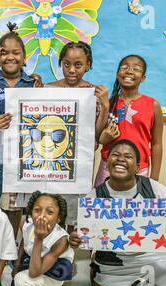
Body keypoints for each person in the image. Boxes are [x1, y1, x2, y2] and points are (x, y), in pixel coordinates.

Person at [69, 139, 166, 286]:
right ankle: (98, 267)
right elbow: (81, 229)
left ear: (137, 167)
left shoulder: (152, 187)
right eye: (115, 154)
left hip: (151, 253)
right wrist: (76, 238)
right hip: (114, 257)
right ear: (107, 164)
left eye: (128, 156)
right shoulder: (95, 197)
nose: (121, 159)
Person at [0, 22, 38, 239]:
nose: (10, 57)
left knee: (19, 204)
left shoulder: (34, 85)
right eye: (5, 53)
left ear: (24, 56)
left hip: (27, 155)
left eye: (16, 53)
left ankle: (13, 246)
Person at [46, 41, 109, 234]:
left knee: (75, 205)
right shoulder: (48, 89)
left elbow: (96, 135)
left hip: (80, 161)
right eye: (66, 64)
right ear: (61, 64)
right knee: (51, 201)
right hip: (52, 159)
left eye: (78, 65)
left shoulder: (94, 94)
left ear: (88, 64)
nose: (71, 70)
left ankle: (70, 250)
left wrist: (105, 107)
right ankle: (49, 244)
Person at [95, 55, 163, 187]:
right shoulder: (107, 103)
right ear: (117, 74)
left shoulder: (153, 105)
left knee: (135, 206)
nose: (129, 71)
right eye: (124, 67)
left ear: (143, 78)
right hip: (108, 167)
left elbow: (157, 144)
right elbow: (97, 138)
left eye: (136, 69)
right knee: (104, 204)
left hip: (139, 169)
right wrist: (103, 138)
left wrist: (154, 178)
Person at [12, 191, 74, 286]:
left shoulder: (61, 240)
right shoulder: (27, 225)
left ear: (58, 218)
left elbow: (34, 274)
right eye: (37, 210)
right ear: (31, 212)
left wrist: (39, 238)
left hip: (54, 270)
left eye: (49, 212)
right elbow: (24, 243)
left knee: (21, 281)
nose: (42, 216)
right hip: (35, 261)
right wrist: (16, 266)